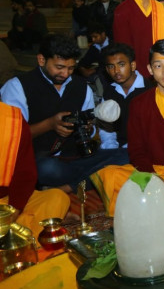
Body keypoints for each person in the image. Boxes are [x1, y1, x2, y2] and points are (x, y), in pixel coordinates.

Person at [90, 39, 164, 215]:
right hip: (150, 173)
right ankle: (162, 200)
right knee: (110, 175)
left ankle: (146, 202)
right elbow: (136, 151)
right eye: (158, 66)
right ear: (150, 69)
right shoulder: (139, 103)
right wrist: (154, 180)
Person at [0, 34, 126, 193]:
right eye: (59, 67)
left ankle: (69, 186)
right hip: (38, 160)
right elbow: (12, 137)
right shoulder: (17, 87)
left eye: (71, 68)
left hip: (75, 159)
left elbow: (91, 128)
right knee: (47, 168)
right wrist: (50, 124)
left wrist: (87, 128)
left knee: (126, 155)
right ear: (41, 60)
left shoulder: (81, 86)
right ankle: (90, 179)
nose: (65, 74)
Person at [0, 102, 70, 243]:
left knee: (56, 198)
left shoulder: (11, 119)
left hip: (7, 202)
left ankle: (21, 240)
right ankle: (18, 237)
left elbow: (25, 174)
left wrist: (13, 212)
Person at [100, 42, 147, 152]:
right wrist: (111, 149)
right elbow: (106, 127)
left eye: (121, 65)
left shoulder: (149, 90)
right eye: (111, 66)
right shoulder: (109, 91)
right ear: (107, 70)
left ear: (132, 65)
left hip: (144, 149)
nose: (116, 71)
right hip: (117, 150)